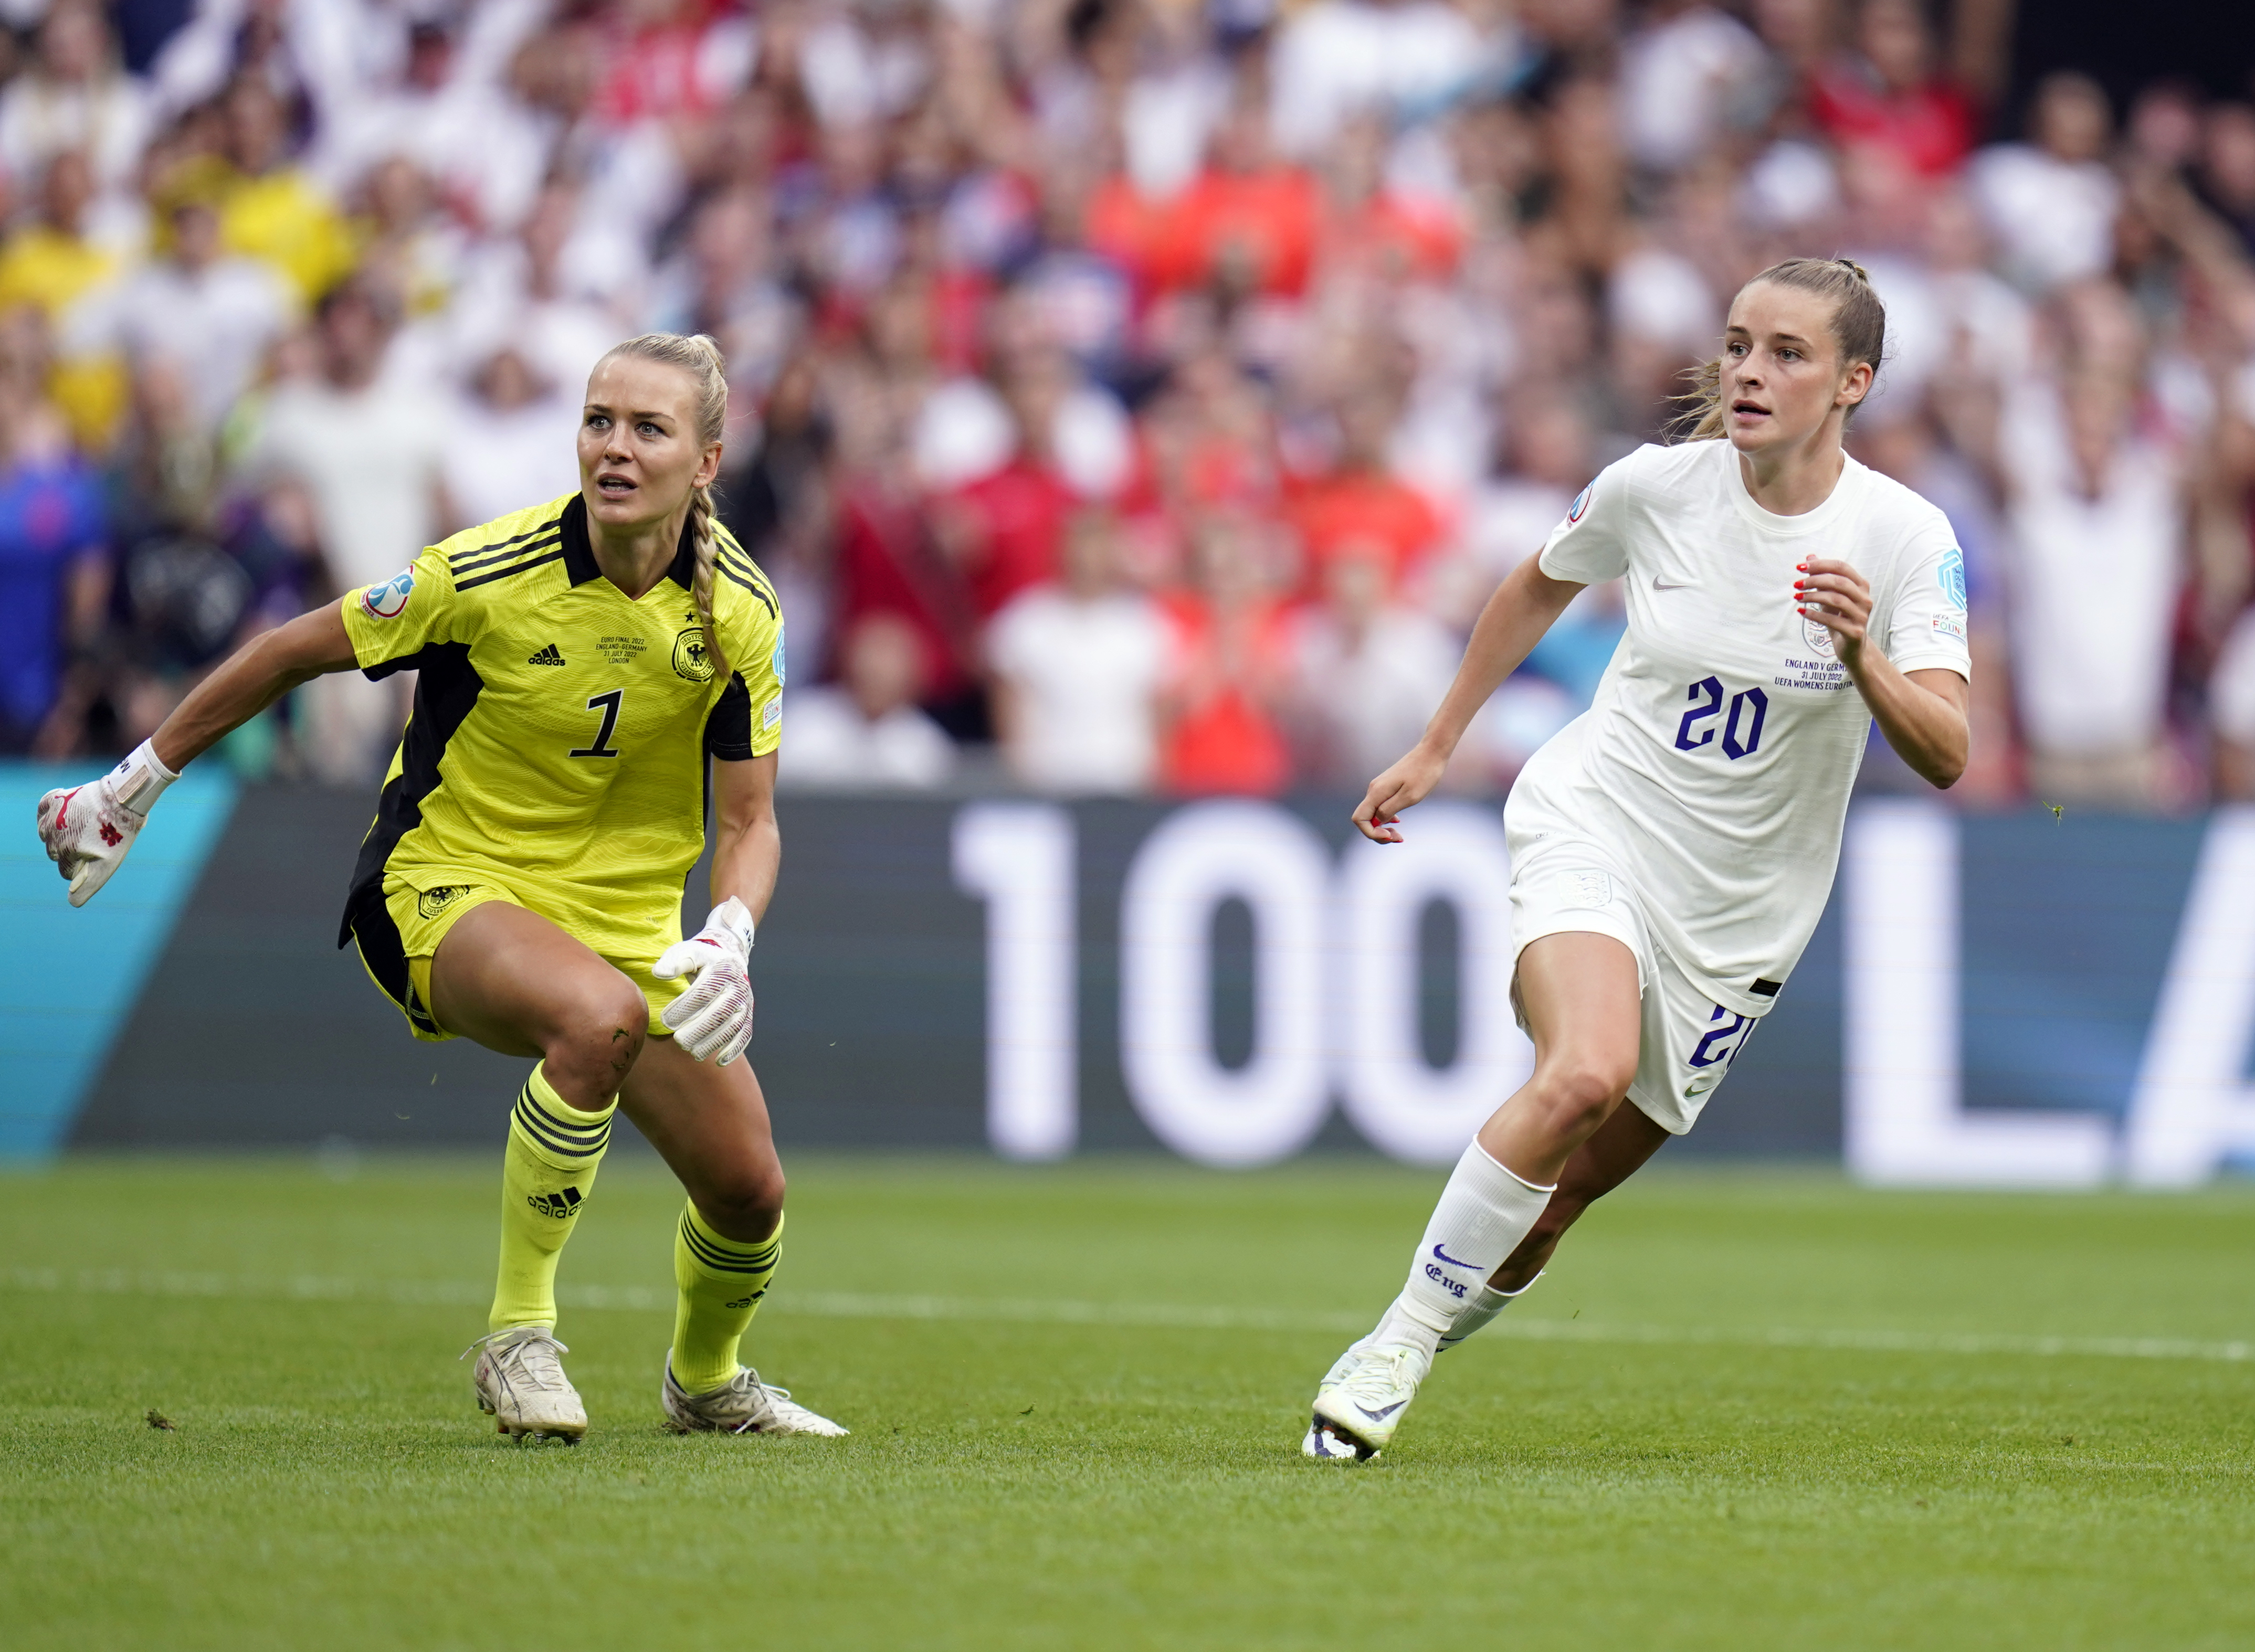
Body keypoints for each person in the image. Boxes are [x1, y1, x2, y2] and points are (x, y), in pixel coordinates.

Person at [35, 332, 846, 1447]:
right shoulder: (487, 573)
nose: (614, 448)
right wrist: (131, 788)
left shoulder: (741, 610)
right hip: (443, 884)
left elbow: (750, 820)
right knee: (597, 1018)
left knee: (751, 1192)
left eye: (648, 429)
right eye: (599, 420)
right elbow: (288, 650)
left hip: (628, 927)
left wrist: (732, 931)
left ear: (707, 461)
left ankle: (706, 1383)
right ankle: (519, 1336)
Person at [1301, 259, 1971, 1462]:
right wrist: (1437, 742)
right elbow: (1535, 582)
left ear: (1853, 383)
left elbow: (1949, 751)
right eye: (1739, 344)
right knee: (1584, 1074)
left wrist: (1861, 655)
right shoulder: (1655, 485)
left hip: (1743, 913)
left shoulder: (1904, 536)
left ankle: (1429, 1320)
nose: (1749, 372)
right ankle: (1395, 1345)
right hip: (1601, 816)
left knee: (1556, 1207)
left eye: (1788, 353)